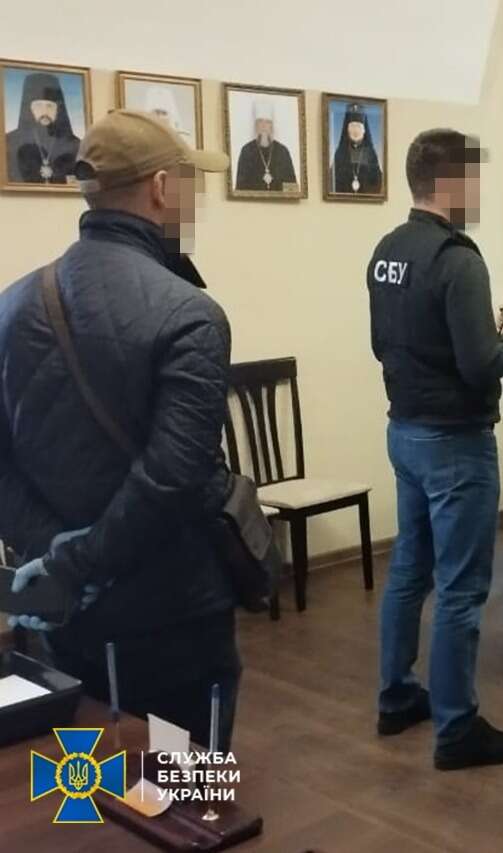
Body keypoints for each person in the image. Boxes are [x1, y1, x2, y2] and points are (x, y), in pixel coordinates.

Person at [0, 110, 240, 747]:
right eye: (189, 183)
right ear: (160, 188)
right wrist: (82, 561)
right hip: (173, 613)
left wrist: (58, 557)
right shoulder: (190, 313)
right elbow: (174, 477)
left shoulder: (12, 304)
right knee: (184, 782)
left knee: (85, 773)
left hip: (62, 609)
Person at [370, 128, 503, 771]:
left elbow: (383, 343)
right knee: (462, 588)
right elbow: (481, 365)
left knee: (410, 570)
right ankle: (457, 728)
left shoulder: (387, 249)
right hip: (456, 444)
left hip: (404, 430)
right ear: (454, 181)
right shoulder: (459, 259)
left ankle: (395, 697)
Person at [5, 72, 81, 185]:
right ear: (29, 108)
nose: (44, 112)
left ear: (58, 110)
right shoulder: (8, 142)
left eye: (50, 106)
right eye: (38, 106)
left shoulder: (76, 145)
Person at [234, 99, 297, 192]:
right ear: (255, 125)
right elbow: (240, 187)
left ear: (272, 126)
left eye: (267, 122)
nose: (264, 126)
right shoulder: (247, 150)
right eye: (260, 121)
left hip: (280, 200)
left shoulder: (282, 151)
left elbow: (292, 187)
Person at [333, 103, 383, 195]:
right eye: (352, 126)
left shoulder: (371, 155)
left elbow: (378, 183)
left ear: (364, 130)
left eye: (358, 127)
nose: (355, 131)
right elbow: (333, 183)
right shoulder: (340, 153)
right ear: (347, 130)